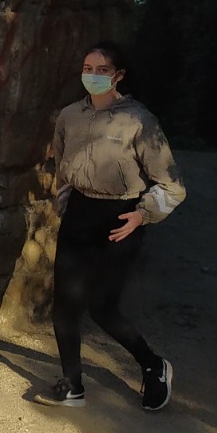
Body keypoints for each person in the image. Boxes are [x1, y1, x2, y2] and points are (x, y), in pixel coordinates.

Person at [36, 42, 184, 412]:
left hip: (122, 218)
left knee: (102, 306)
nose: (93, 75)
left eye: (102, 70)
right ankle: (72, 385)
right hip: (79, 215)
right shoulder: (70, 116)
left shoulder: (140, 121)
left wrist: (141, 215)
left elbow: (172, 185)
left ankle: (153, 365)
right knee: (65, 304)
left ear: (118, 75)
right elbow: (63, 167)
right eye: (87, 68)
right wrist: (68, 207)